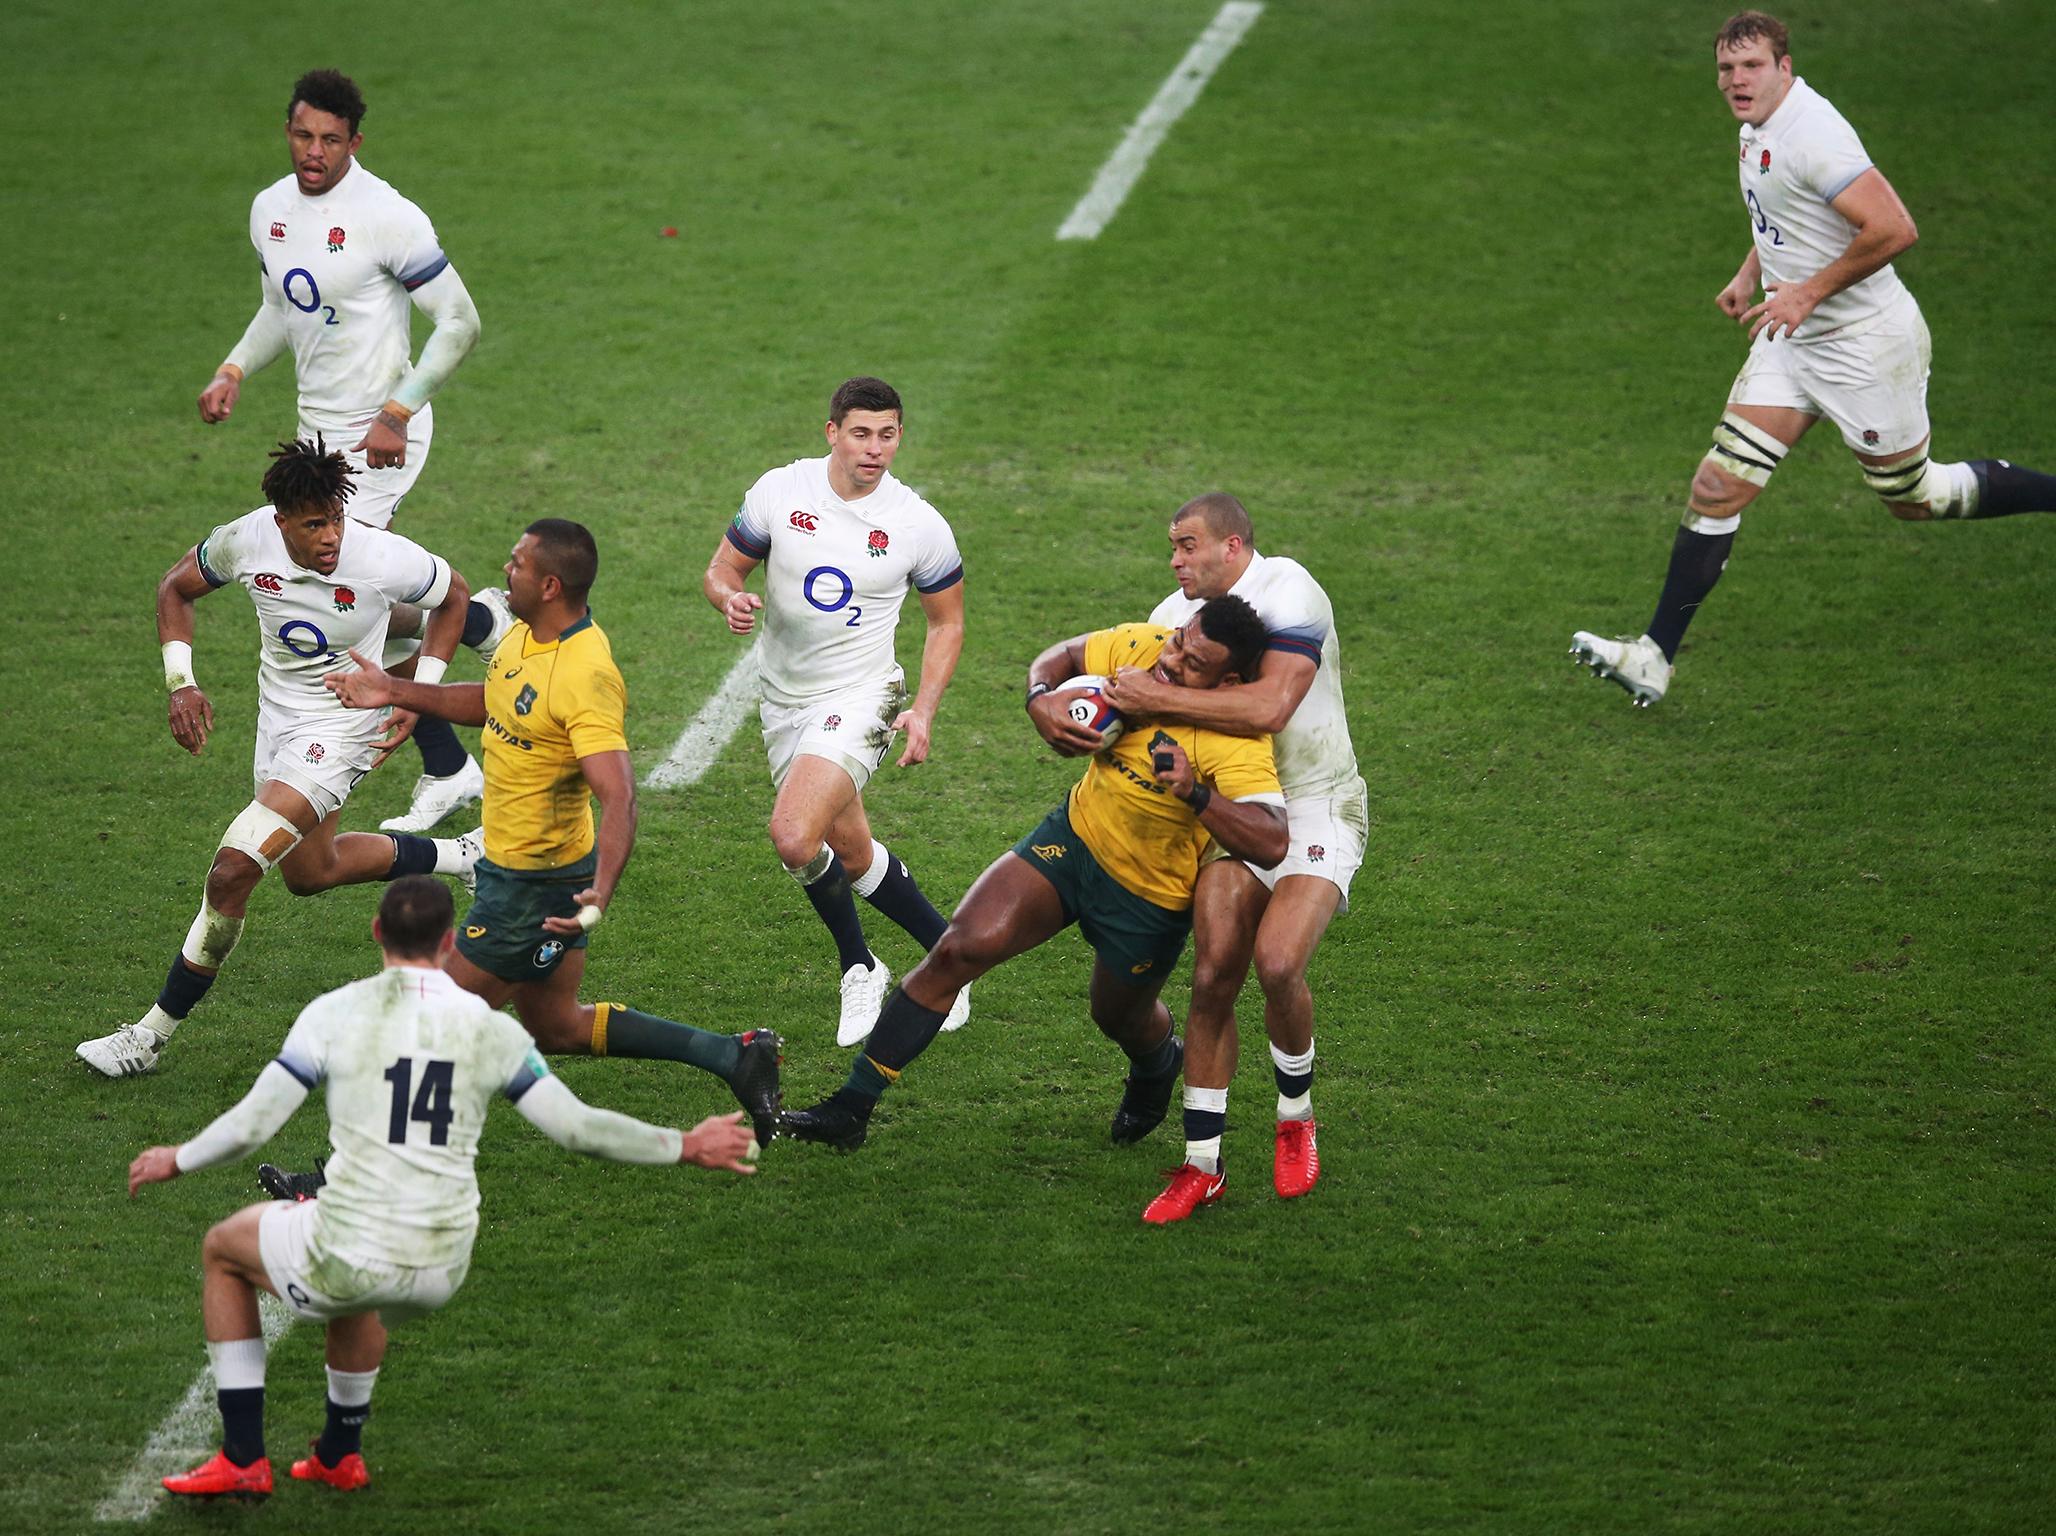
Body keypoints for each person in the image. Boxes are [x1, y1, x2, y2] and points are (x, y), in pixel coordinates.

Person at [129, 876, 760, 1499]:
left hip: (353, 1249)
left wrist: (177, 1158)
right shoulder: (493, 1029)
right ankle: (338, 1456)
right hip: (442, 1261)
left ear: (377, 931)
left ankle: (242, 1459)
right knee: (355, 1289)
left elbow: (254, 1124)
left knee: (224, 1249)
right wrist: (687, 1144)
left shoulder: (335, 1013)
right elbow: (579, 1129)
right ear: (450, 942)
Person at [257, 518, 782, 1204]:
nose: (506, 571)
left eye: (518, 564)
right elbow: (494, 701)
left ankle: (341, 1181)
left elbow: (619, 795)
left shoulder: (585, 674)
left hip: (535, 891)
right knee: (556, 1026)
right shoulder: (522, 636)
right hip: (515, 871)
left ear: (551, 584)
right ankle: (735, 1054)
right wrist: (396, 691)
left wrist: (598, 895)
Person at [1570, 11, 2056, 707]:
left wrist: (1806, 293)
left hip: (1865, 347)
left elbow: (1895, 227)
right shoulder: (1757, 125)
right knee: (1717, 486)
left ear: (1784, 68)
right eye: (1726, 68)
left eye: (1752, 66)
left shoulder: (1813, 135)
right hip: (1793, 339)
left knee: (1914, 498)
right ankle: (1654, 657)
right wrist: (1752, 273)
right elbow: (1783, 211)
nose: (1737, 80)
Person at [781, 598, 1288, 1211]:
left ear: (1228, 685)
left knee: (1118, 1016)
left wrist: (1196, 793)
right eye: (1180, 640)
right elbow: (1065, 655)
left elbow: (1271, 839)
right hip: (1071, 842)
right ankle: (851, 1108)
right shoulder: (1142, 648)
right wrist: (1040, 700)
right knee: (959, 948)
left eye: (1193, 662)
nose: (1171, 659)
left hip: (1148, 897)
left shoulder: (1236, 741)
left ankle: (1158, 1063)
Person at [76, 440, 481, 1079]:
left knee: (232, 871)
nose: (332, 536)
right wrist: (181, 683)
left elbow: (453, 595)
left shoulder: (380, 556)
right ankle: (466, 856)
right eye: (315, 524)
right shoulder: (246, 541)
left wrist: (419, 693)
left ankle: (150, 1035)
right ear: (282, 520)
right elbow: (175, 589)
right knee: (311, 872)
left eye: (337, 519)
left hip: (343, 726)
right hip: (279, 723)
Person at [196, 67, 511, 825]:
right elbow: (282, 306)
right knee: (365, 594)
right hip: (317, 435)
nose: (315, 151)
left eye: (331, 140)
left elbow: (461, 322)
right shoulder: (270, 210)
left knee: (348, 586)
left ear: (354, 142)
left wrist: (398, 411)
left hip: (380, 436)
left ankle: (446, 745)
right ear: (288, 131)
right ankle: (478, 637)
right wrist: (234, 368)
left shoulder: (388, 217)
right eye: (303, 135)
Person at [1098, 495, 1368, 1222]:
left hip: (1317, 802)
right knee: (1214, 974)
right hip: (1239, 806)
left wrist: (1159, 697)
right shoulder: (1174, 617)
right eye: (1172, 547)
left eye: (1188, 545)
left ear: (1234, 546)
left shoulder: (1290, 590)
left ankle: (1295, 1116)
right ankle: (1201, 1165)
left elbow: (1271, 708)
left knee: (1277, 963)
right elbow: (1129, 696)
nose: (1175, 561)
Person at [702, 377, 969, 1048]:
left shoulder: (918, 524)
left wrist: (924, 710)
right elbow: (721, 569)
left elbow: (947, 623)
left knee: (795, 837)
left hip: (862, 696)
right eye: (861, 433)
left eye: (888, 434)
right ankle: (953, 958)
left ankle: (860, 966)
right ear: (833, 433)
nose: (875, 448)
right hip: (784, 702)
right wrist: (728, 597)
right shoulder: (780, 491)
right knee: (849, 855)